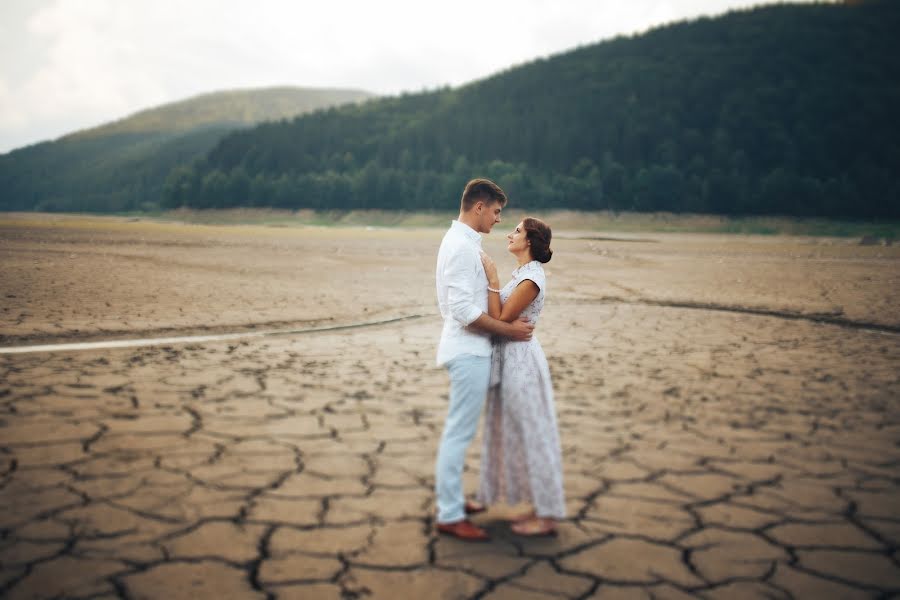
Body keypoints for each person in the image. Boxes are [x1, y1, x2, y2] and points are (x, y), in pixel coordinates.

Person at [434, 178, 534, 541]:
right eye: (495, 211)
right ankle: (449, 513)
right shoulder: (461, 246)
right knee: (458, 434)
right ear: (479, 206)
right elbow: (462, 309)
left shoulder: (462, 242)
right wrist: (508, 331)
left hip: (469, 350)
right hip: (467, 351)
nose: (497, 219)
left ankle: (454, 500)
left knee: (460, 431)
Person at [477, 217, 565, 536]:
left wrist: (491, 276)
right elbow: (500, 319)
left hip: (522, 364)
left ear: (529, 240)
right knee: (520, 434)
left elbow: (500, 316)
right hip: (510, 359)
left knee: (535, 435)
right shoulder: (523, 275)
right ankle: (538, 504)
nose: (509, 234)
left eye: (516, 231)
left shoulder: (531, 279)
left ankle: (548, 515)